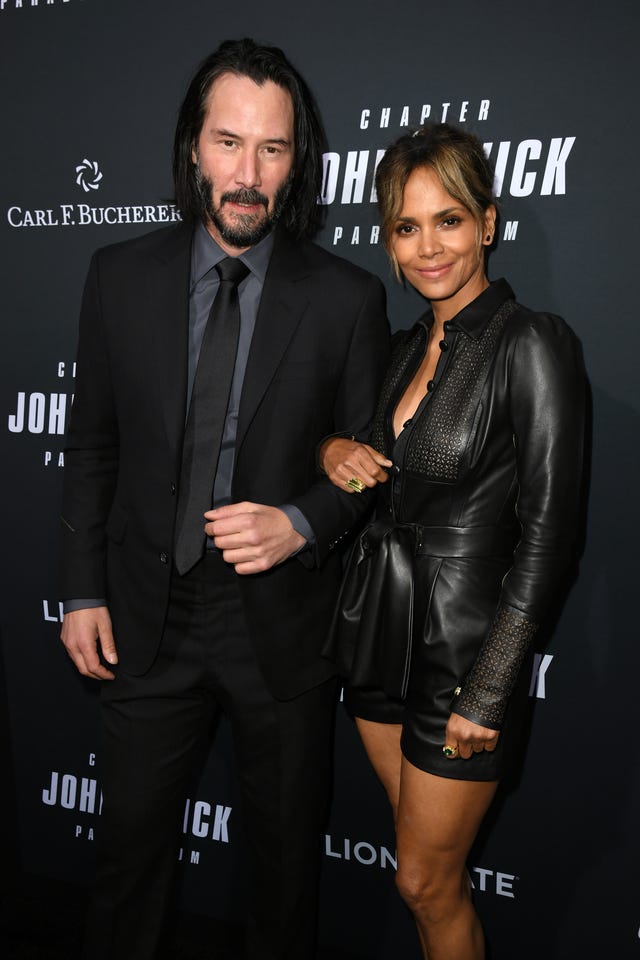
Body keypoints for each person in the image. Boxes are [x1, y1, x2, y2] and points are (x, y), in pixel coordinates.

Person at [59, 38, 389, 960]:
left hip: (280, 629)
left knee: (283, 886)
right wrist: (81, 589)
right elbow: (91, 445)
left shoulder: (348, 299)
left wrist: (300, 523)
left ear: (297, 161)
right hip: (145, 614)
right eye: (229, 142)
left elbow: (368, 463)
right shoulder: (118, 276)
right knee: (127, 871)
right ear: (193, 147)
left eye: (272, 149)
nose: (248, 174)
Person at [320, 122, 585, 960]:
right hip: (378, 636)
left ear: (489, 223)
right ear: (388, 242)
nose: (428, 247)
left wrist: (493, 683)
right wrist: (331, 452)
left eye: (449, 220)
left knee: (424, 882)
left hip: (464, 653)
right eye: (407, 226)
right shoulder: (402, 350)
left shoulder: (532, 342)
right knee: (426, 876)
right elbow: (360, 459)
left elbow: (551, 535)